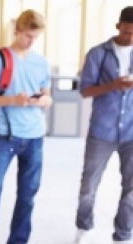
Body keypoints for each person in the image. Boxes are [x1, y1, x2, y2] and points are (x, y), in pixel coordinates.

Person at [0, 9, 52, 244]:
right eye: (28, 36)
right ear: (17, 31)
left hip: (35, 136)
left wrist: (43, 101)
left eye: (36, 37)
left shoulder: (41, 62)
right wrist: (12, 100)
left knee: (27, 197)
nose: (32, 41)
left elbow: (48, 97)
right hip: (6, 136)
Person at [75, 6, 133, 244]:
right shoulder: (98, 53)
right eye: (127, 32)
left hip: (131, 131)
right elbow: (85, 90)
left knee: (131, 189)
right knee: (89, 185)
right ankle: (84, 228)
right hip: (102, 130)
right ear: (118, 25)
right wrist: (113, 86)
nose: (130, 37)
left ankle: (123, 234)